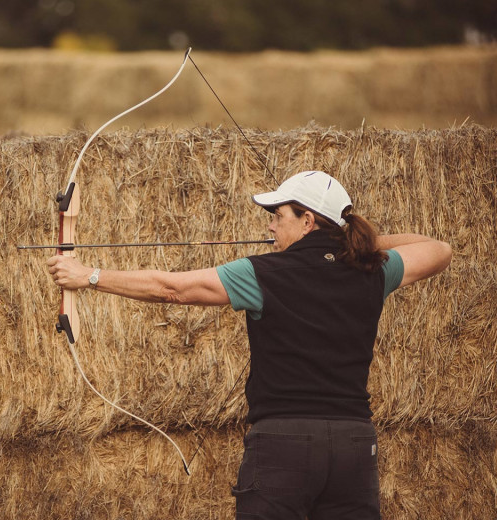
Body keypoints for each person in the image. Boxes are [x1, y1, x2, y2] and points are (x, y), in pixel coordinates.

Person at [47, 170, 452, 520]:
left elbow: (171, 289)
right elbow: (438, 250)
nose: (271, 227)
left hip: (284, 446)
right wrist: (359, 244)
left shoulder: (263, 273)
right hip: (355, 445)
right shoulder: (373, 271)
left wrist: (90, 276)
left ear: (307, 220)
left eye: (278, 216)